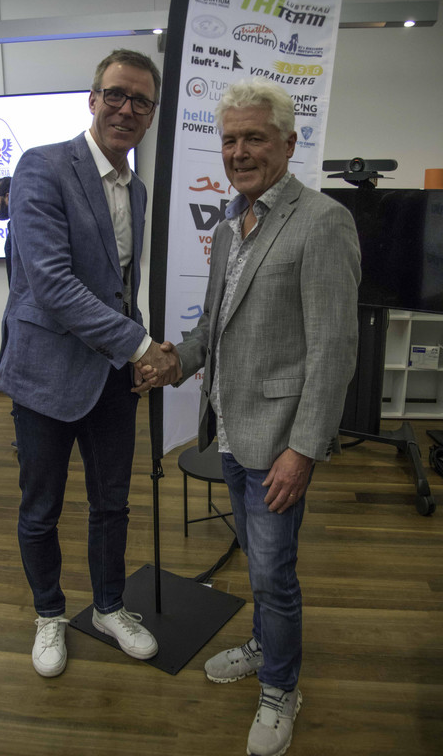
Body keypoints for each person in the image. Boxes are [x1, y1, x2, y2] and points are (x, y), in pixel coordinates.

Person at [137, 78, 361, 756]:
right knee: (261, 565)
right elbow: (214, 326)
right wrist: (174, 362)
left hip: (279, 443)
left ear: (288, 144)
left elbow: (333, 350)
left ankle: (281, 688)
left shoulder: (322, 222)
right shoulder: (231, 224)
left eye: (254, 138)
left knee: (272, 574)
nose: (239, 151)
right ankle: (265, 646)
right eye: (230, 139)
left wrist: (304, 450)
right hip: (231, 430)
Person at [0, 49, 180, 678]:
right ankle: (49, 613)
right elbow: (51, 284)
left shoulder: (138, 189)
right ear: (93, 98)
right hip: (45, 376)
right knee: (40, 508)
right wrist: (141, 346)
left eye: (141, 101)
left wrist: (138, 355)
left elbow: (119, 288)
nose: (127, 109)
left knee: (112, 504)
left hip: (110, 380)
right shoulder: (42, 167)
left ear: (151, 114)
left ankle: (108, 607)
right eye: (116, 95)